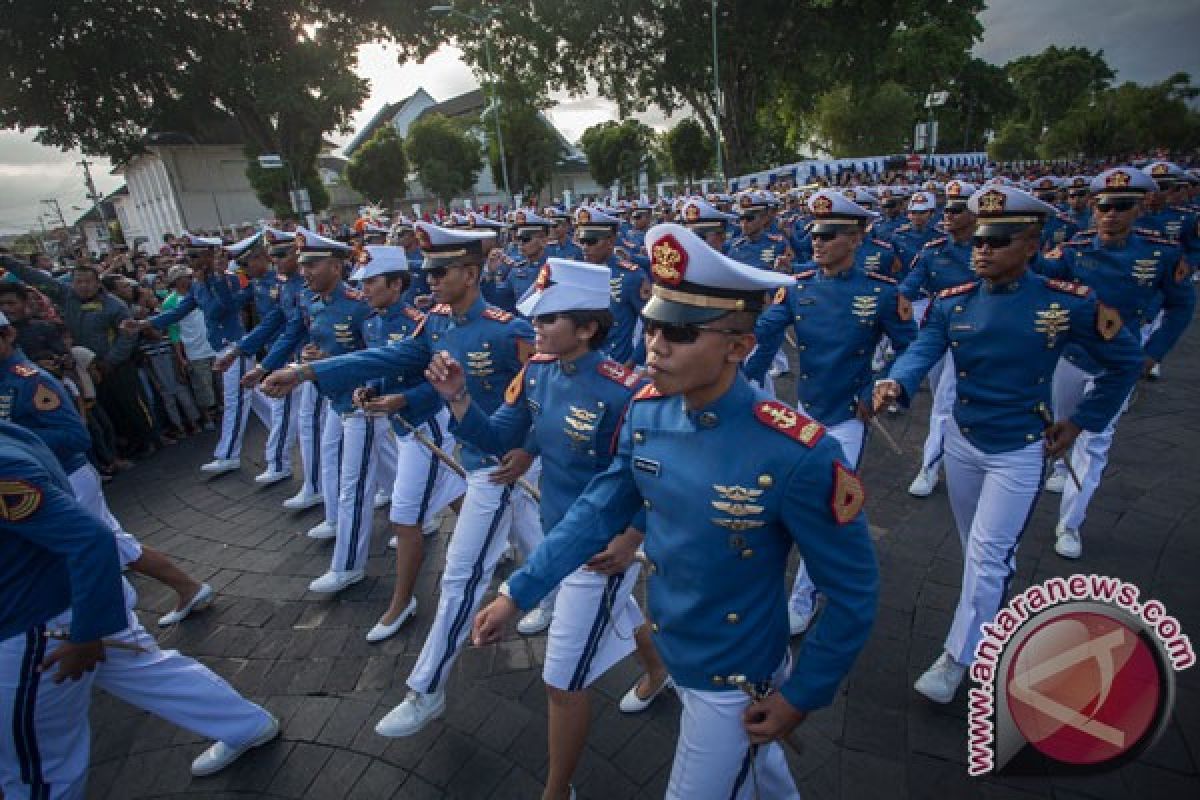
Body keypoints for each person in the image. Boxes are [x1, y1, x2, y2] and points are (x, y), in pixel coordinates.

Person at [474, 223, 878, 799]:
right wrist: (518, 592)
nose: (656, 345)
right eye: (656, 325)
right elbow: (595, 511)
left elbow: (855, 592)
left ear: (740, 346)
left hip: (733, 676)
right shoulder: (648, 412)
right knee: (760, 778)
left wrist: (801, 694)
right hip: (676, 645)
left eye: (681, 333)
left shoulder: (798, 453)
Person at [261, 221, 551, 737]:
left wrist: (527, 451)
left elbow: (542, 397)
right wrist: (308, 373)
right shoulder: (436, 323)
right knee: (550, 555)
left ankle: (425, 686)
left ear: (470, 271)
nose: (431, 280)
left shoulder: (510, 330)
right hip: (483, 462)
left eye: (440, 271)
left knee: (463, 578)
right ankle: (564, 610)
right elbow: (389, 357)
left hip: (508, 465)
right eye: (427, 272)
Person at [874, 185, 1144, 704]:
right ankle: (989, 611)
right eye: (978, 239)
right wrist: (897, 382)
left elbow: (1125, 362)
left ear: (1031, 243)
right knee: (978, 548)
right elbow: (922, 351)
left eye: (997, 241)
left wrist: (1082, 421)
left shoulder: (1065, 304)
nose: (981, 250)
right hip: (963, 441)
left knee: (987, 551)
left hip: (1019, 449)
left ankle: (959, 659)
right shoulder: (955, 305)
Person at [425, 257, 670, 800]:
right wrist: (459, 398)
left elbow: (651, 477)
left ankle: (556, 790)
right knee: (622, 612)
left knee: (561, 679)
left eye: (549, 320)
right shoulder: (536, 370)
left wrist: (632, 538)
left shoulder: (627, 391)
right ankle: (659, 669)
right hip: (558, 532)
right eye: (535, 319)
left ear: (587, 327)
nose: (535, 328)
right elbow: (497, 437)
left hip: (599, 549)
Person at [745, 190, 917, 635]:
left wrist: (881, 384)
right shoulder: (797, 288)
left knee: (826, 508)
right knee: (787, 502)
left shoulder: (880, 293)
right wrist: (742, 385)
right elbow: (762, 338)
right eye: (814, 234)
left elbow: (910, 349)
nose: (817, 242)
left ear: (858, 238)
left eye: (830, 234)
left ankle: (805, 595)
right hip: (803, 411)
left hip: (847, 415)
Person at [1038, 167, 1195, 558]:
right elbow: (1042, 277)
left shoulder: (1160, 252)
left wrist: (1152, 353)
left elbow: (1180, 307)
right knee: (1060, 417)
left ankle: (1070, 523)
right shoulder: (1076, 249)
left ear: (1139, 207)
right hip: (1072, 355)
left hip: (1121, 357)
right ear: (1093, 207)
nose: (1111, 214)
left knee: (1094, 442)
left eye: (1121, 206)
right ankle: (1059, 469)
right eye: (1104, 205)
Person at [0, 419, 128, 800]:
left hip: (27, 623)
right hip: (34, 612)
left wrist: (86, 634)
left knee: (37, 774)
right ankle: (242, 725)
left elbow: (91, 541)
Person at [349, 247, 466, 642]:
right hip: (403, 426)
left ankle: (402, 602)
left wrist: (402, 400)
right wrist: (370, 389)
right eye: (361, 283)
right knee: (455, 487)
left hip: (425, 424)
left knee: (404, 516)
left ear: (396, 284)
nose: (364, 290)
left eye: (370, 282)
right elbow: (384, 369)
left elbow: (440, 382)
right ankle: (501, 534)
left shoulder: (422, 322)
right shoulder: (372, 324)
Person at [250, 228, 372, 543]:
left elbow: (376, 354)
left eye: (313, 265)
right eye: (303, 265)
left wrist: (326, 359)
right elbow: (311, 340)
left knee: (374, 465)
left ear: (335, 266)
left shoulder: (361, 304)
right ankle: (333, 518)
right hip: (334, 394)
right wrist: (308, 356)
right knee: (330, 453)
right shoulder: (315, 304)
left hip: (363, 397)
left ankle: (421, 512)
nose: (306, 272)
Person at [133, 234, 253, 474]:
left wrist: (211, 280)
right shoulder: (198, 284)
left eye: (197, 256)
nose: (192, 261)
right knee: (257, 400)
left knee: (234, 403)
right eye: (190, 256)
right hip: (222, 347)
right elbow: (178, 312)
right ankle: (288, 435)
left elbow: (219, 310)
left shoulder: (225, 280)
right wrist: (145, 324)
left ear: (211, 256)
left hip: (234, 346)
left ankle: (228, 454)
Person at [898, 180, 979, 497]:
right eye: (947, 208)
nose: (949, 215)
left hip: (974, 332)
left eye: (958, 210)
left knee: (944, 401)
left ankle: (930, 466)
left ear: (974, 214)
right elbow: (910, 283)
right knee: (940, 396)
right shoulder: (933, 250)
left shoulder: (989, 247)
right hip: (936, 329)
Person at [215, 230, 303, 486]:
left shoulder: (292, 285)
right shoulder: (283, 284)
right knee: (303, 423)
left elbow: (292, 329)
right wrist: (238, 351)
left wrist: (264, 367)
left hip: (298, 357)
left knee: (300, 421)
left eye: (280, 255)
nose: (276, 262)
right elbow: (271, 322)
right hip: (285, 355)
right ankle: (288, 469)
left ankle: (281, 465)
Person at [161, 264, 217, 431]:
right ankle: (207, 419)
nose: (190, 279)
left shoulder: (200, 292)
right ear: (177, 281)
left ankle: (224, 412)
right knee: (202, 388)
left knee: (220, 384)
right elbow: (174, 332)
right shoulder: (170, 302)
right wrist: (181, 358)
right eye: (187, 277)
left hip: (213, 346)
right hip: (194, 351)